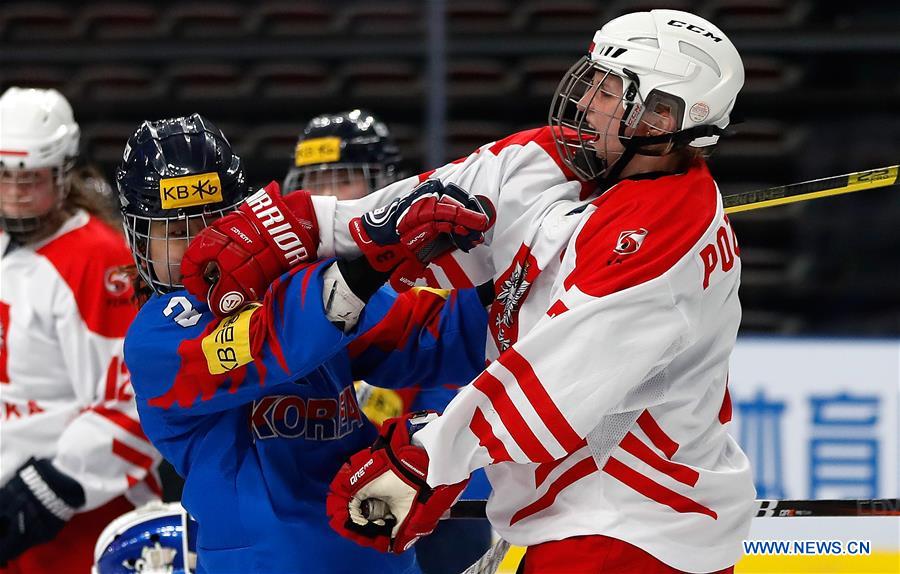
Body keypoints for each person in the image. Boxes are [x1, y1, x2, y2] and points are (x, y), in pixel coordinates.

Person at [182, 9, 757, 573]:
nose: (585, 103)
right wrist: (301, 226)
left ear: (660, 118)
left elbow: (553, 385)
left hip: (634, 529)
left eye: (610, 93)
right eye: (592, 83)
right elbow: (432, 202)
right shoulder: (556, 161)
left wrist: (428, 461)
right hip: (574, 523)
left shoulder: (665, 238)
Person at [118, 113, 493, 573]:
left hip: (378, 559)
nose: (198, 245)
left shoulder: (294, 289)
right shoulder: (156, 338)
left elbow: (427, 336)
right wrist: (373, 256)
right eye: (176, 233)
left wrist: (514, 283)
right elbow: (266, 347)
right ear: (142, 241)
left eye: (214, 223)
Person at [283, 109, 494, 574]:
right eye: (314, 181)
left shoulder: (435, 276)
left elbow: (454, 388)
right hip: (341, 507)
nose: (328, 197)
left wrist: (416, 455)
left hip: (434, 495)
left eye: (344, 179)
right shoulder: (297, 292)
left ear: (387, 186)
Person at [0, 87, 161, 573]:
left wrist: (50, 487)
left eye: (30, 178)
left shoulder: (99, 259)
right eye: (3, 177)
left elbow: (142, 398)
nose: (14, 192)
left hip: (87, 520)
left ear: (63, 171)